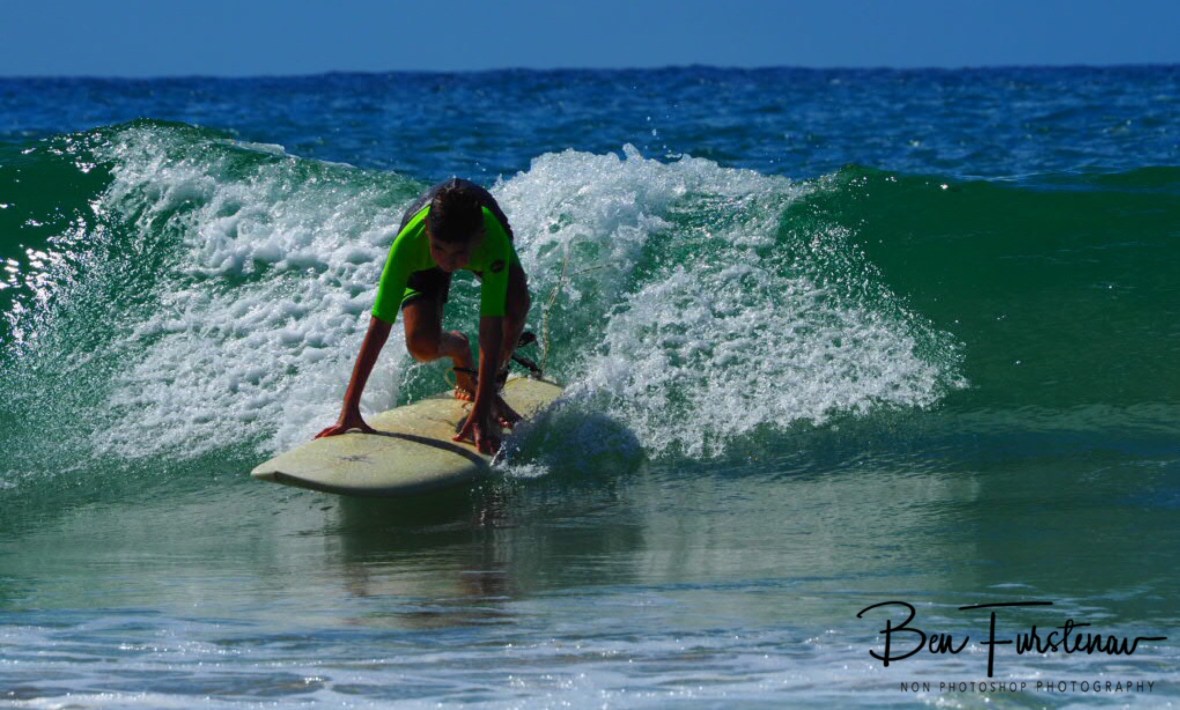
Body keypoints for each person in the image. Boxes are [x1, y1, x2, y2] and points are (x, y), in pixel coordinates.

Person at [316, 178, 530, 454]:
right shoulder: (410, 244)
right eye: (439, 249)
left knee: (516, 304)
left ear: (477, 238)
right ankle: (459, 348)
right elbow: (378, 327)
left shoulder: (491, 242)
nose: (447, 263)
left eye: (458, 255)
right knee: (421, 346)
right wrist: (350, 409)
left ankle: (492, 392)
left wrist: (481, 408)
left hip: (482, 229)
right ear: (428, 232)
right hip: (435, 237)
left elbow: (491, 330)